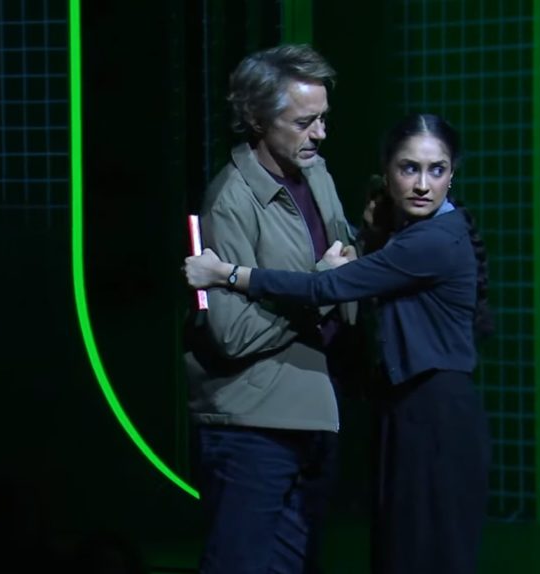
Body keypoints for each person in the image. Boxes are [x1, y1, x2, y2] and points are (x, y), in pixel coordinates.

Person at [185, 113, 494, 574]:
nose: (422, 184)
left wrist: (226, 274)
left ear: (453, 174)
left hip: (436, 414)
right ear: (386, 172)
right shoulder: (415, 235)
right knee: (402, 550)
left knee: (426, 554)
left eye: (437, 170)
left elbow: (323, 287)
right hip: (412, 408)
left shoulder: (433, 241)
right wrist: (370, 236)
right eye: (409, 168)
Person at [183, 44, 359, 574]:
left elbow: (341, 264)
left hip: (314, 411)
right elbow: (231, 333)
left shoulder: (317, 174)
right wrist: (319, 287)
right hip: (251, 425)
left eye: (323, 119)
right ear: (258, 119)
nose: (320, 134)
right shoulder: (230, 201)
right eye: (304, 122)